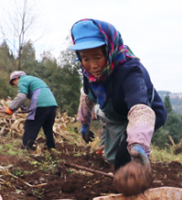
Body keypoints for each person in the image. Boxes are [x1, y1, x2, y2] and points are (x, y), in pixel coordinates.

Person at [70, 18, 167, 174]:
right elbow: (87, 95)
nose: (92, 65)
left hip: (144, 116)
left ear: (109, 50)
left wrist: (138, 145)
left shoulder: (129, 70)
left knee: (125, 155)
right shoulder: (89, 73)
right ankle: (121, 180)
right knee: (113, 157)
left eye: (98, 57)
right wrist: (85, 122)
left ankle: (134, 190)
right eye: (85, 59)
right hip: (118, 115)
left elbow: (140, 109)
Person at [4, 71, 58, 150]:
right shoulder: (33, 79)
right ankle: (51, 147)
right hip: (52, 104)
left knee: (30, 125)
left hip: (41, 104)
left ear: (17, 78)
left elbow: (21, 96)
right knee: (48, 127)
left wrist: (11, 108)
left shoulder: (22, 80)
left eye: (14, 82)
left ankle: (26, 148)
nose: (15, 84)